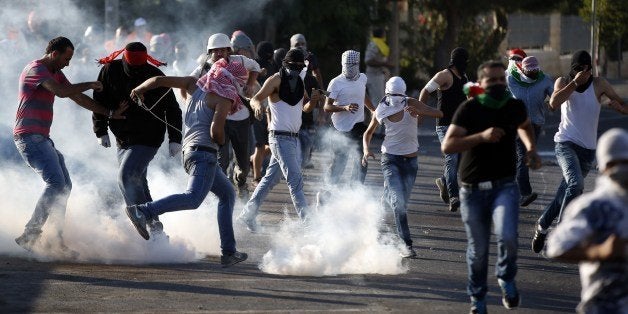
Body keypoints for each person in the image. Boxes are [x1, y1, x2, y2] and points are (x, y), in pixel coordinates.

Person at [124, 58, 248, 267]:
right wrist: (222, 141)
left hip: (190, 152)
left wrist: (138, 89)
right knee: (193, 199)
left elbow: (157, 80)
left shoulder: (194, 85)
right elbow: (215, 132)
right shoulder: (224, 98)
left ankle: (229, 252)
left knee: (227, 194)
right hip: (205, 154)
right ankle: (143, 211)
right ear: (234, 81)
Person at [441, 60, 541, 313]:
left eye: (500, 79)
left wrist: (530, 148)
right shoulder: (469, 109)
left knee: (508, 236)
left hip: (504, 186)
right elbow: (448, 145)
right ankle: (478, 298)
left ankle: (506, 278)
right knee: (479, 250)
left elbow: (525, 125)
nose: (497, 84)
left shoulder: (513, 106)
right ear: (480, 84)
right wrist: (481, 137)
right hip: (472, 190)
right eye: (491, 80)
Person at [13, 37, 127, 251]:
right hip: (28, 136)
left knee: (64, 186)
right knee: (56, 184)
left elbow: (78, 98)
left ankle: (55, 240)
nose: (68, 64)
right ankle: (31, 234)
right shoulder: (36, 69)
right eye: (66, 58)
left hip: (41, 138)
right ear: (54, 54)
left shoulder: (54, 72)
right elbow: (62, 92)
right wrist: (90, 83)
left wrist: (109, 113)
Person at [531, 50, 628, 254]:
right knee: (576, 185)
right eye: (579, 69)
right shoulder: (563, 82)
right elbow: (553, 104)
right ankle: (561, 231)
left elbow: (620, 102)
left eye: (587, 69)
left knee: (564, 194)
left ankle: (541, 226)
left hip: (588, 151)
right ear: (573, 69)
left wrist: (620, 107)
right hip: (566, 144)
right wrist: (574, 83)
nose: (584, 73)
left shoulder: (599, 83)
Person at [93, 42, 182, 239]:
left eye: (138, 66)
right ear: (124, 59)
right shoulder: (110, 70)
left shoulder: (155, 75)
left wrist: (175, 138)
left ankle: (142, 218)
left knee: (126, 176)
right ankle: (157, 232)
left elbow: (173, 109)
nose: (134, 70)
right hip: (122, 136)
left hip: (149, 136)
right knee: (138, 181)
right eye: (131, 66)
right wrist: (101, 130)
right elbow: (99, 100)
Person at [237, 49, 321, 232]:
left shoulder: (299, 81)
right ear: (285, 64)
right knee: (295, 179)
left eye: (300, 66)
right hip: (279, 137)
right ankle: (309, 225)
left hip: (292, 139)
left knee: (270, 180)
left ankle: (247, 215)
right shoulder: (275, 79)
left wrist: (313, 101)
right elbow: (256, 98)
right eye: (293, 66)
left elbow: (305, 108)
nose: (296, 69)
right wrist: (258, 105)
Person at [546, 128, 628, 314]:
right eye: (617, 163)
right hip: (604, 305)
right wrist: (598, 252)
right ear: (605, 167)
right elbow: (556, 247)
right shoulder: (593, 207)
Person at [363, 76, 443, 258]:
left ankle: (383, 202)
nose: (396, 100)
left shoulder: (411, 102)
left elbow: (439, 114)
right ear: (387, 94)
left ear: (404, 94)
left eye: (399, 96)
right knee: (399, 205)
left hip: (411, 162)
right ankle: (407, 245)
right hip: (390, 159)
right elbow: (367, 134)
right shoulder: (381, 109)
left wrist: (419, 112)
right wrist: (366, 150)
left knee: (400, 202)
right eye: (392, 95)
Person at [191, 33, 260, 200]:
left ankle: (240, 179)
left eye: (224, 50)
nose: (220, 53)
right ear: (209, 52)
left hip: (240, 118)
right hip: (217, 120)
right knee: (220, 161)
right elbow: (188, 85)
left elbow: (256, 67)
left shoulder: (238, 61)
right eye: (216, 50)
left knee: (243, 163)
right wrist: (192, 104)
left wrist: (250, 85)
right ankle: (220, 196)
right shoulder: (203, 69)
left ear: (229, 50)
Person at [419, 47, 469, 212]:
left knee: (461, 160)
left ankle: (443, 181)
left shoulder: (464, 77)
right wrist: (422, 112)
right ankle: (454, 196)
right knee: (452, 158)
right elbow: (425, 91)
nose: (466, 63)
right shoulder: (444, 75)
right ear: (457, 60)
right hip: (445, 124)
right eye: (464, 60)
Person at [506, 56, 554, 207]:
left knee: (523, 156)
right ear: (523, 69)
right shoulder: (511, 78)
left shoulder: (544, 79)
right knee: (523, 156)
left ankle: (510, 184)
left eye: (536, 69)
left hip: (536, 124)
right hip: (518, 124)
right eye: (530, 70)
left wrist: (554, 102)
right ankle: (525, 193)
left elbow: (554, 96)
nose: (533, 72)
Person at [324, 50, 375, 185]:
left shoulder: (362, 78)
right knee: (340, 162)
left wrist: (372, 109)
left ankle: (356, 190)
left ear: (358, 64)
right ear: (342, 64)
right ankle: (328, 189)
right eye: (348, 65)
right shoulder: (335, 83)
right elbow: (326, 107)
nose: (351, 68)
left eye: (354, 64)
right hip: (340, 128)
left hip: (358, 126)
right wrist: (344, 108)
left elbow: (362, 94)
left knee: (362, 159)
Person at [251, 41, 277, 185]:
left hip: (271, 110)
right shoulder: (254, 64)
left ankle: (254, 159)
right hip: (258, 110)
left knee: (271, 145)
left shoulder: (273, 66)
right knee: (260, 146)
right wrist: (259, 74)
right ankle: (256, 177)